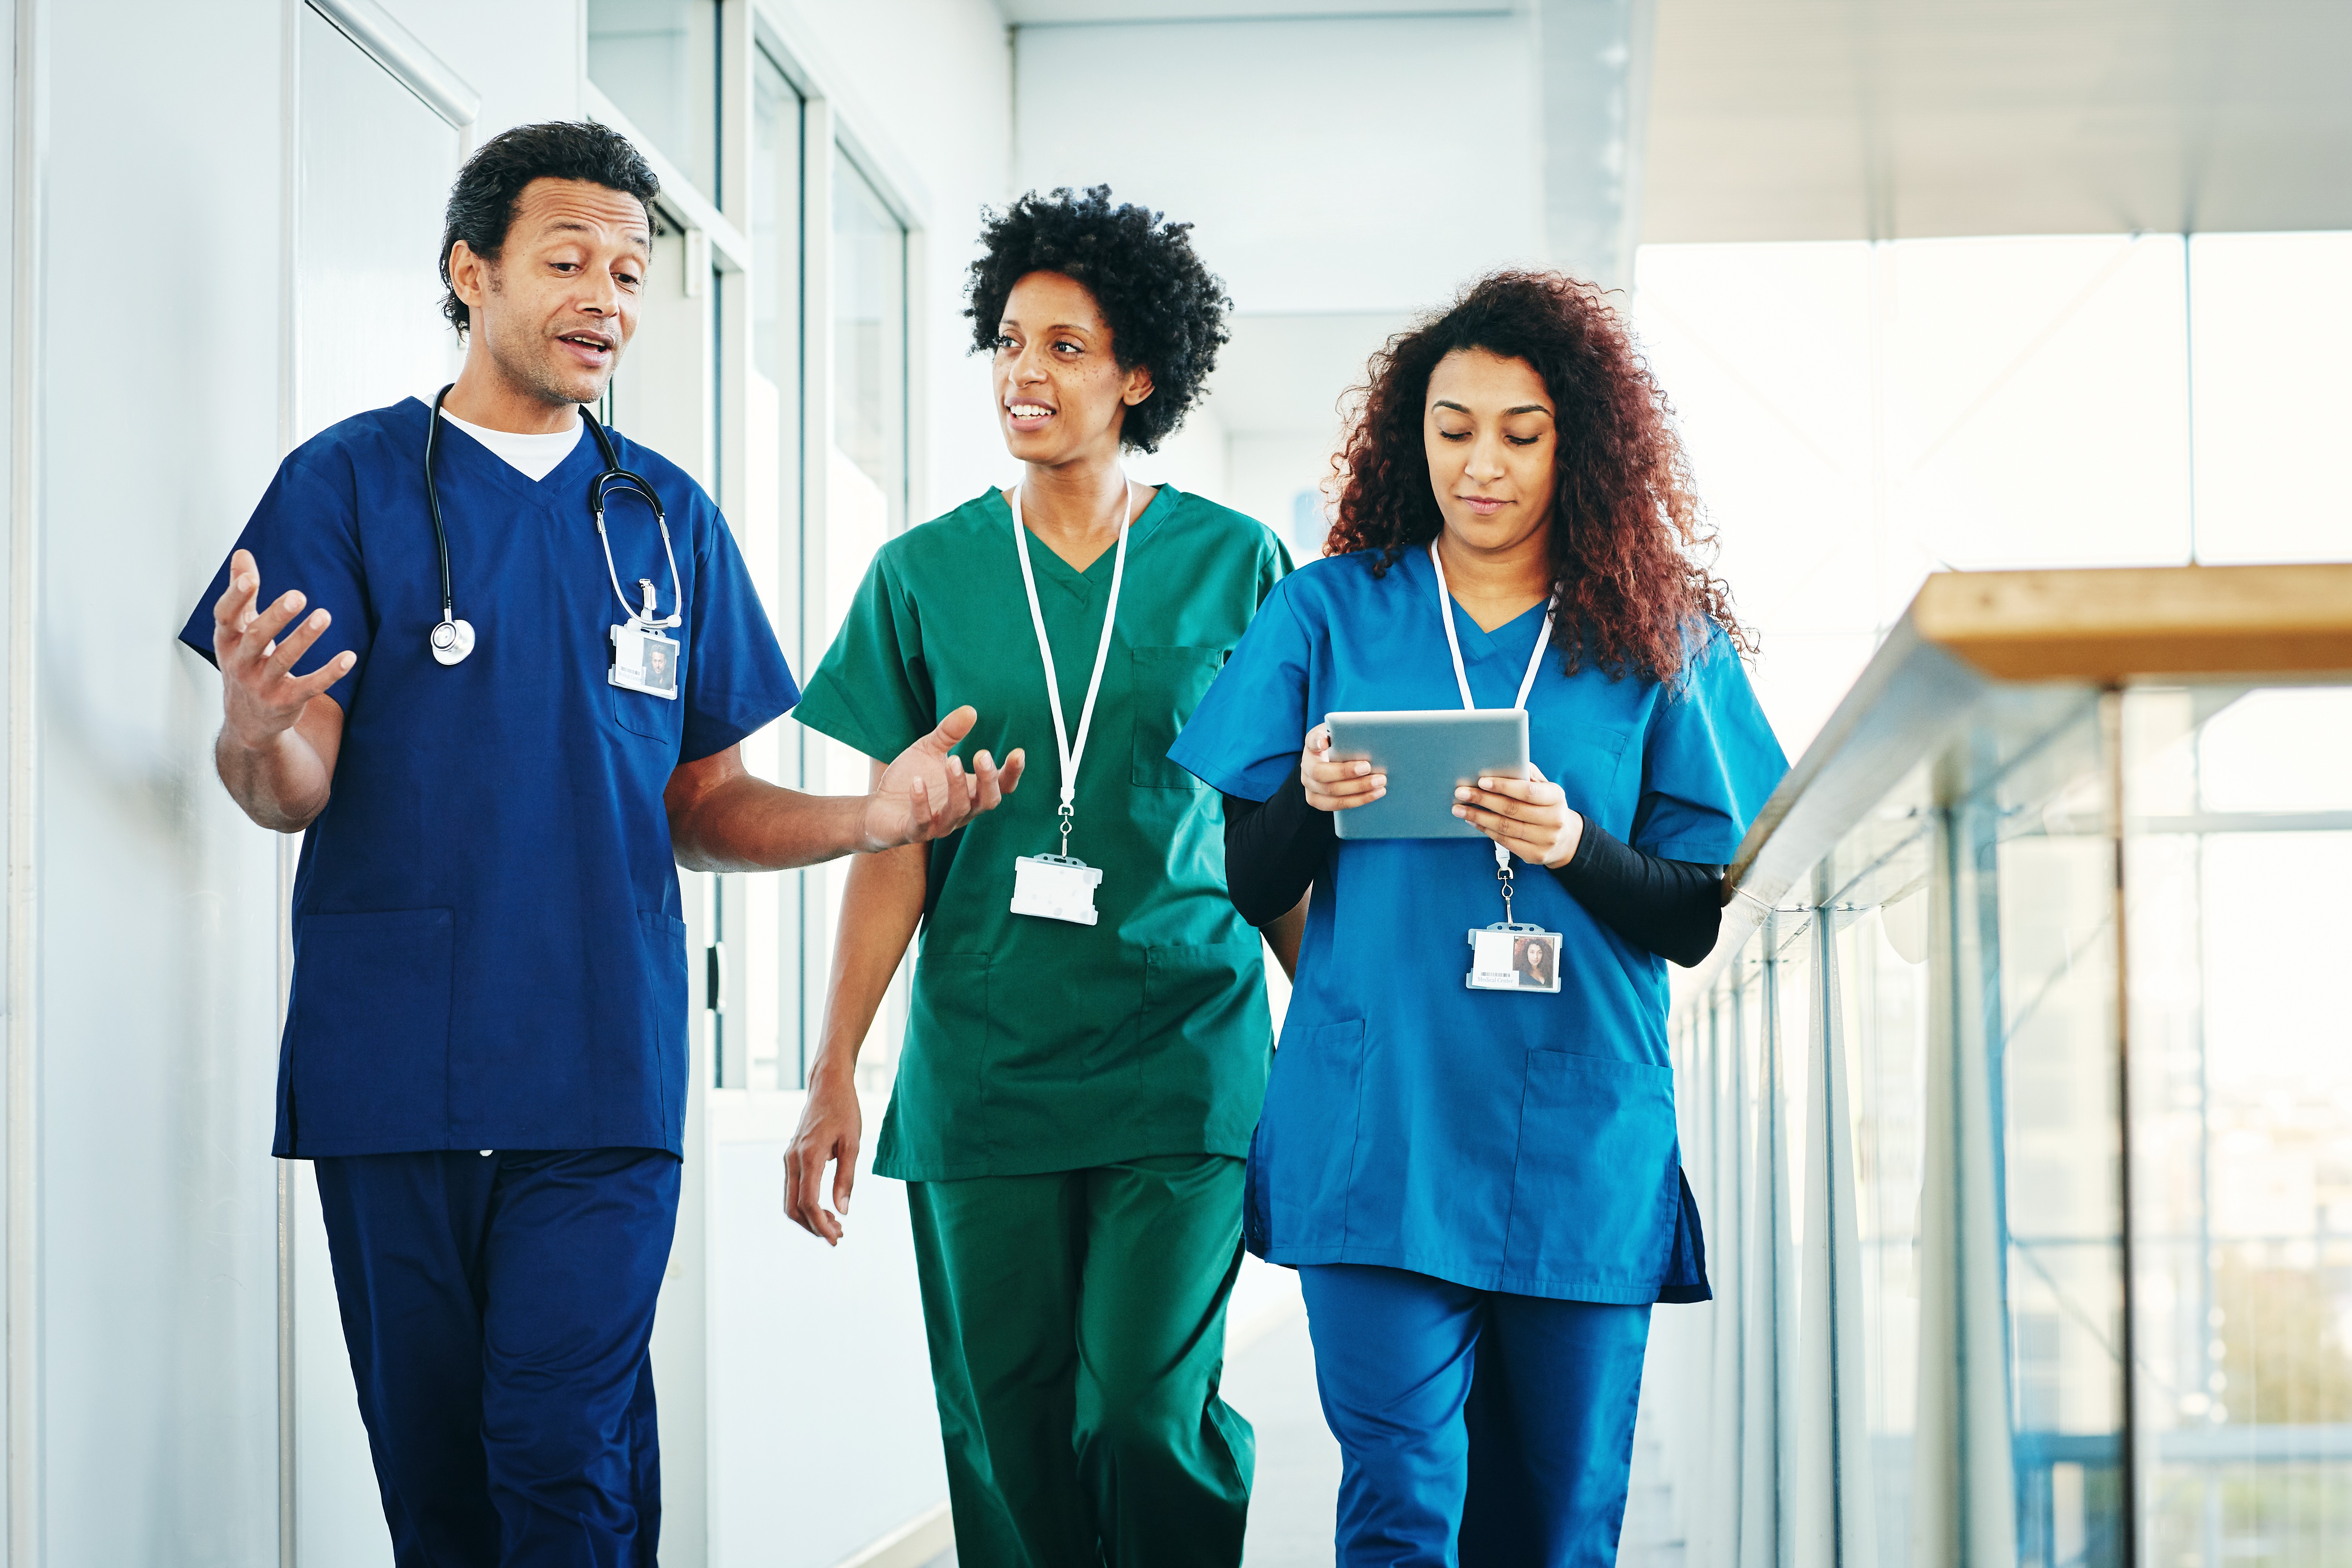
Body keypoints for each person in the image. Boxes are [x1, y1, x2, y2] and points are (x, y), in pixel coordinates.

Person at [178, 122, 1020, 1565]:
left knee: (563, 1454)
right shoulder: (347, 485)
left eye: (629, 272)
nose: (606, 298)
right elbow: (291, 784)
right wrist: (256, 725)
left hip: (600, 1066)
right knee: (435, 1475)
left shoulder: (663, 519)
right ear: (471, 271)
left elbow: (702, 804)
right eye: (568, 260)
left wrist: (865, 819)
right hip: (395, 1066)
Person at [1168, 270, 1788, 1565]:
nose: (1482, 466)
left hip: (1577, 1137)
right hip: (1379, 1129)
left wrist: (1571, 842)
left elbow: (1693, 916)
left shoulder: (1657, 638)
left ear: (1582, 444)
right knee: (1399, 1504)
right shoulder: (1327, 610)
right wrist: (1317, 809)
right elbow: (1246, 877)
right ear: (1415, 438)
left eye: (1521, 433)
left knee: (1557, 1529)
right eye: (1453, 430)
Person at [783, 186, 1295, 1567]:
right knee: (1007, 1443)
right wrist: (834, 1070)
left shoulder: (1236, 565)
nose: (1027, 372)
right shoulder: (922, 574)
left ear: (1140, 376)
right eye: (1011, 341)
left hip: (1182, 1050)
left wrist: (1347, 1050)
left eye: (1068, 347)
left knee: (1141, 1412)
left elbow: (1280, 839)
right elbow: (894, 850)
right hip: (989, 1061)